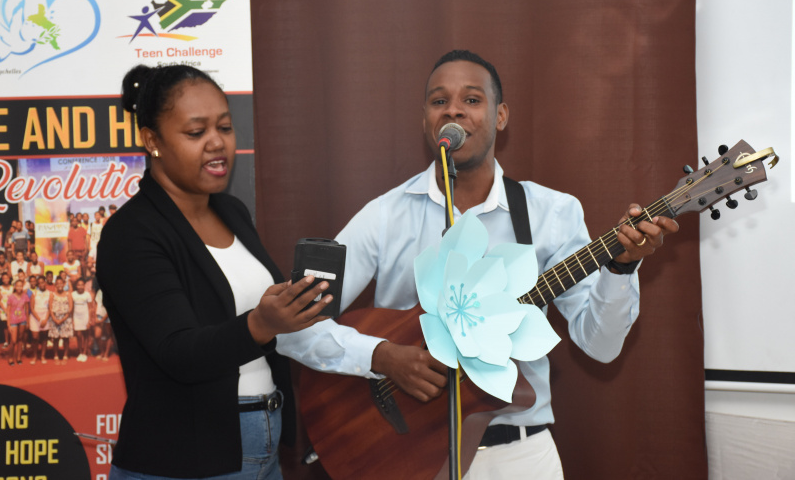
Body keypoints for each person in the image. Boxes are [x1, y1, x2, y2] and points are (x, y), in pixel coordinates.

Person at [277, 50, 679, 479]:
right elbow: (290, 328)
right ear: (426, 120)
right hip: (408, 456)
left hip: (521, 458)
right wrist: (381, 355)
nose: (453, 109)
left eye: (472, 99)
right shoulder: (386, 215)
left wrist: (620, 269)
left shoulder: (551, 213)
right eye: (439, 101)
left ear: (501, 115)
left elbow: (601, 346)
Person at [97, 64, 331, 480]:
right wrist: (262, 322)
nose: (217, 143)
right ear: (152, 140)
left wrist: (294, 311)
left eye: (224, 127)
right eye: (195, 132)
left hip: (263, 444)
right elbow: (179, 353)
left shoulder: (232, 212)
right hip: (185, 459)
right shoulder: (131, 234)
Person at [48, 276, 73, 364]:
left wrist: (63, 319)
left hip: (66, 319)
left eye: (61, 283)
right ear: (55, 284)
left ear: (63, 284)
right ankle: (56, 355)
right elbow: (50, 308)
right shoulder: (52, 294)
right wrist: (54, 319)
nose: (59, 285)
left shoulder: (68, 294)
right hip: (54, 319)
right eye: (57, 283)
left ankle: (65, 355)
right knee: (55, 339)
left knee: (66, 338)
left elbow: (70, 308)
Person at [29, 275, 51, 364]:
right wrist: (39, 319)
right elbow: (32, 308)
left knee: (44, 337)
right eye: (39, 283)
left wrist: (45, 319)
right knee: (35, 338)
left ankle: (42, 356)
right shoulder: (34, 293)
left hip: (46, 316)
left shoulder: (50, 293)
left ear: (45, 282)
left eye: (42, 282)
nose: (41, 284)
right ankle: (35, 356)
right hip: (35, 317)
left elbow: (50, 307)